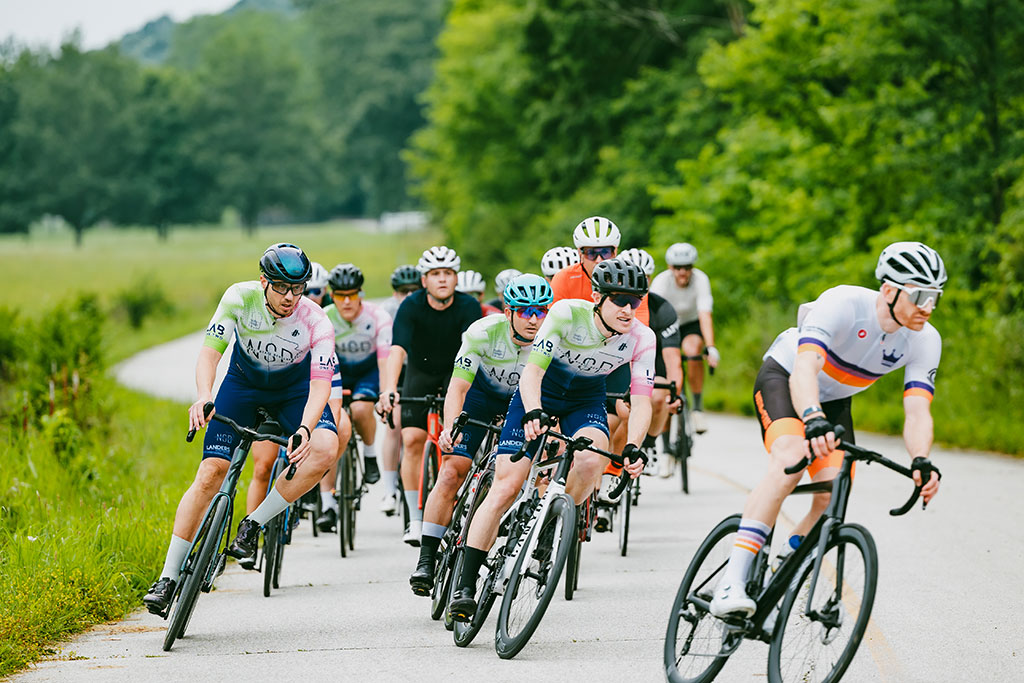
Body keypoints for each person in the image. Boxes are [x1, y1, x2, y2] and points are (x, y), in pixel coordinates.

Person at [709, 242, 946, 618]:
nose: (927, 307)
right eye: (919, 296)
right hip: (786, 378)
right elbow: (805, 368)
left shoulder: (925, 339)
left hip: (834, 402)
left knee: (834, 491)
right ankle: (731, 583)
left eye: (935, 297)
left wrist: (921, 459)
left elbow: (917, 411)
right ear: (889, 290)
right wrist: (812, 417)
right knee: (789, 460)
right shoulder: (843, 303)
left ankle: (786, 559)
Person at [449, 259, 656, 621]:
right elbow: (532, 371)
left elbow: (641, 402)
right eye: (619, 300)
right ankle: (465, 585)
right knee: (506, 487)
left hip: (585, 401)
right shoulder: (566, 314)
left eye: (635, 301)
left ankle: (549, 524)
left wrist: (634, 445)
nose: (628, 309)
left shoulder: (642, 338)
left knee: (591, 460)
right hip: (538, 393)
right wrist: (532, 411)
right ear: (598, 297)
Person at [143, 243, 339, 615]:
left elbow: (320, 385)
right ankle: (167, 578)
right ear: (263, 281)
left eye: (297, 288)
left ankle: (253, 523)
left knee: (326, 447)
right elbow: (210, 352)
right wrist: (204, 395)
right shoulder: (239, 297)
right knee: (210, 473)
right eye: (281, 288)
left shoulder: (316, 320)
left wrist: (305, 427)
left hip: (293, 393)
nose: (290, 297)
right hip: (242, 387)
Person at [409, 274, 552, 596]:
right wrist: (450, 427)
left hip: (523, 406)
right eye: (525, 310)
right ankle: (427, 558)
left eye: (541, 311)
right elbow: (458, 388)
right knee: (451, 472)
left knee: (530, 476)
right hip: (480, 400)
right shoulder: (483, 332)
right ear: (508, 311)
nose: (533, 319)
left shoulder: (553, 340)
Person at [376, 246, 482, 545]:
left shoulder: (469, 307)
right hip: (420, 374)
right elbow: (398, 350)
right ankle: (414, 519)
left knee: (454, 444)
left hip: (455, 373)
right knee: (411, 439)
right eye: (435, 274)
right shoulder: (411, 305)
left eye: (448, 273)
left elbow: (474, 353)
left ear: (456, 278)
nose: (442, 279)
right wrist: (389, 388)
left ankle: (456, 502)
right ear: (424, 280)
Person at [315, 263, 393, 531]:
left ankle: (370, 456)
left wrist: (385, 391)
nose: (346, 301)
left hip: (367, 372)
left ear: (361, 293)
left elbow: (385, 359)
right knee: (330, 430)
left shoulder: (378, 316)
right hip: (335, 371)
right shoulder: (323, 317)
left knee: (360, 409)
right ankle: (328, 504)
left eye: (352, 294)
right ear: (332, 295)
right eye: (340, 295)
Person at [650, 242, 718, 434]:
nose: (682, 272)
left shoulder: (701, 279)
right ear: (670, 267)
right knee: (668, 365)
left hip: (689, 324)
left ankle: (697, 407)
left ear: (692, 267)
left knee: (693, 350)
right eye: (678, 267)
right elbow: (652, 316)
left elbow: (705, 314)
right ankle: (664, 432)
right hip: (665, 326)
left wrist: (711, 347)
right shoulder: (661, 282)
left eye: (687, 267)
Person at [376, 265, 422, 514]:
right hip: (397, 369)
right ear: (395, 293)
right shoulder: (387, 311)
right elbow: (385, 357)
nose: (409, 295)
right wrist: (387, 390)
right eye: (404, 291)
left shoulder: (426, 307)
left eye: (414, 290)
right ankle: (390, 490)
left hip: (421, 369)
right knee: (394, 424)